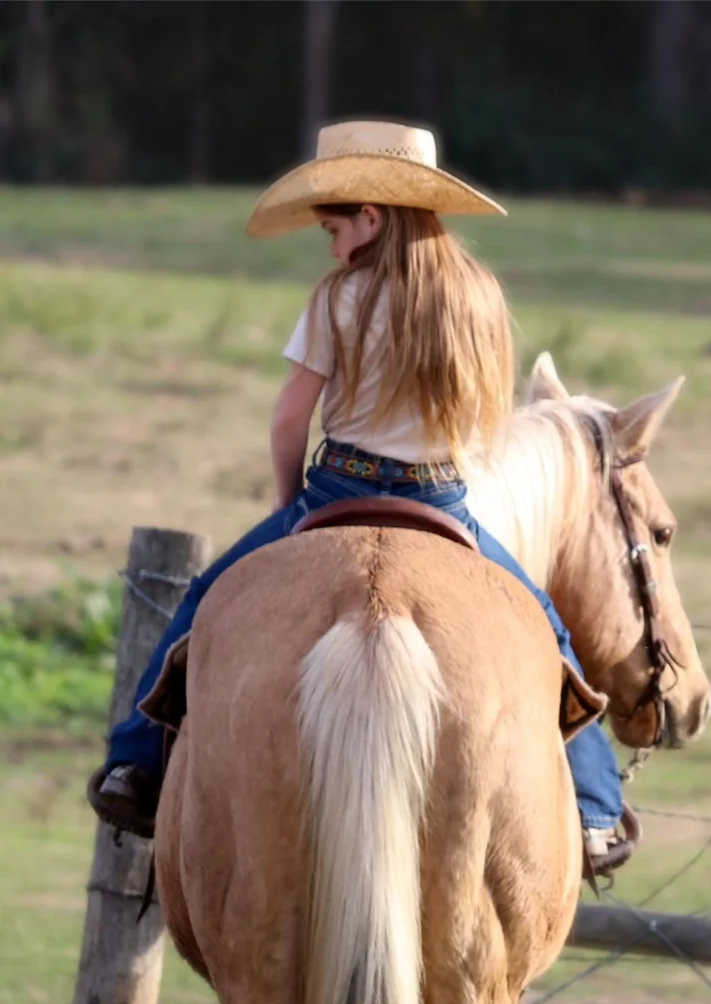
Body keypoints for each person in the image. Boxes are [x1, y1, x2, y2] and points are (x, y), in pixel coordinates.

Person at [87, 120, 637, 876]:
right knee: (546, 631)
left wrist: (290, 505)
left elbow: (290, 417)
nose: (331, 246)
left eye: (333, 228)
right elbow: (482, 422)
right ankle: (597, 810)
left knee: (206, 599)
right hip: (442, 500)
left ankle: (136, 763)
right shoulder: (478, 298)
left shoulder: (338, 297)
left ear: (371, 218)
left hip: (338, 486)